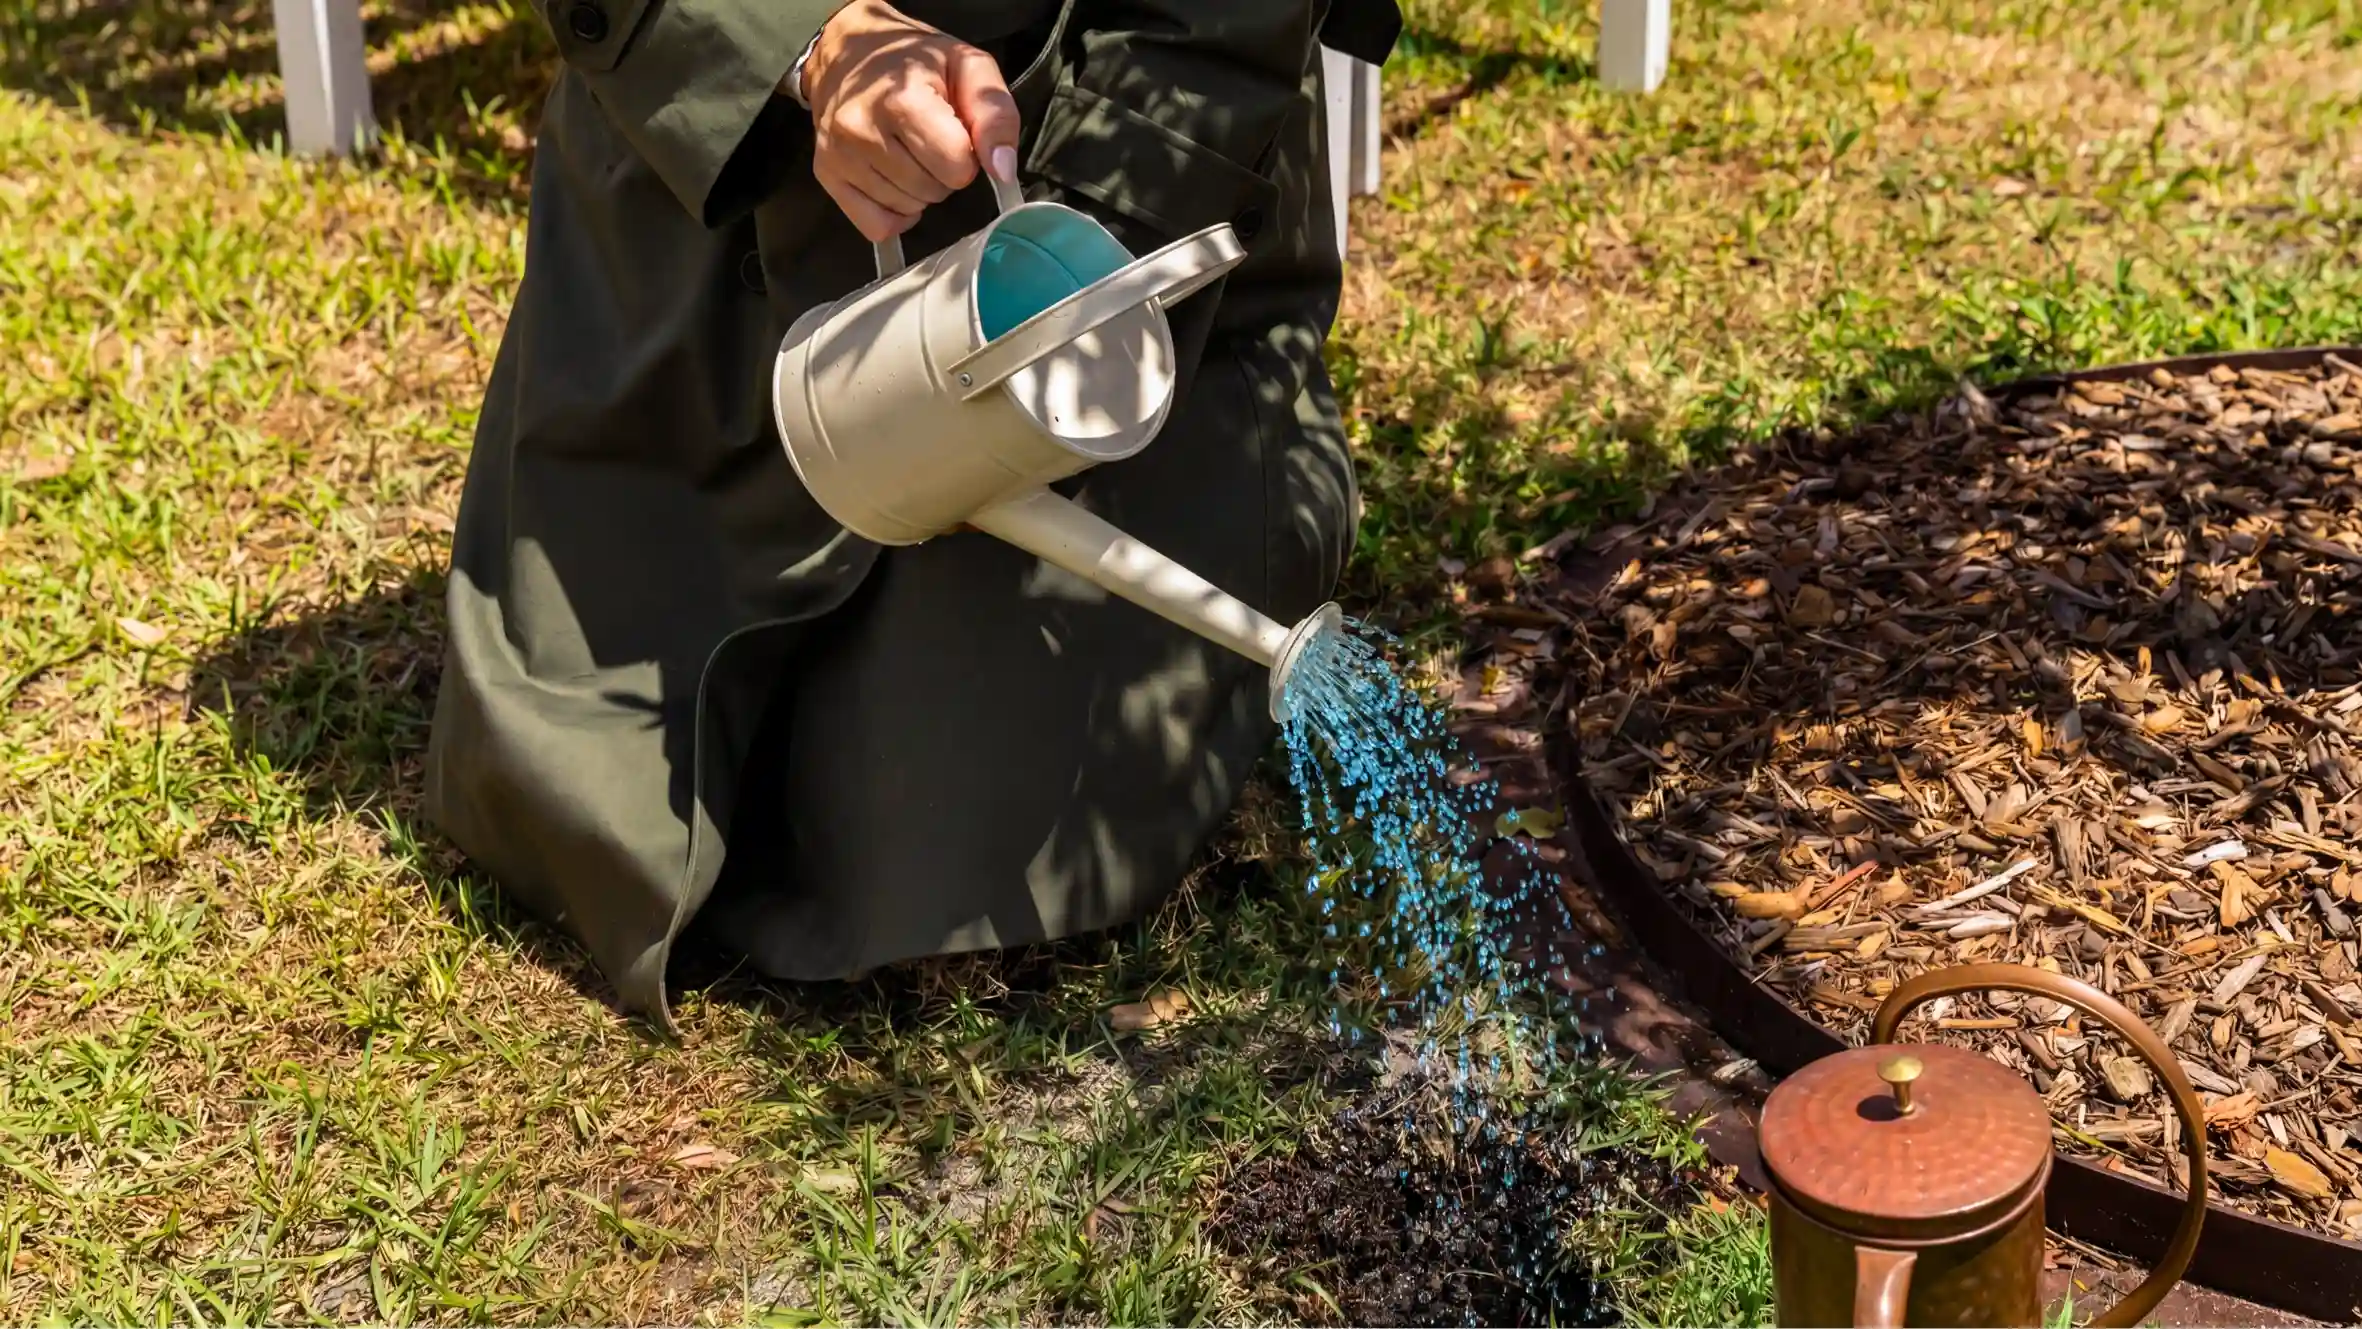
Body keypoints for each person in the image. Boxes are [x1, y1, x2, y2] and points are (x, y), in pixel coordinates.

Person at [423, 0, 1400, 1031]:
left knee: (933, 841)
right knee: (593, 776)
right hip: (707, 178)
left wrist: (1087, 248)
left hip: (1093, 133)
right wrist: (800, 49)